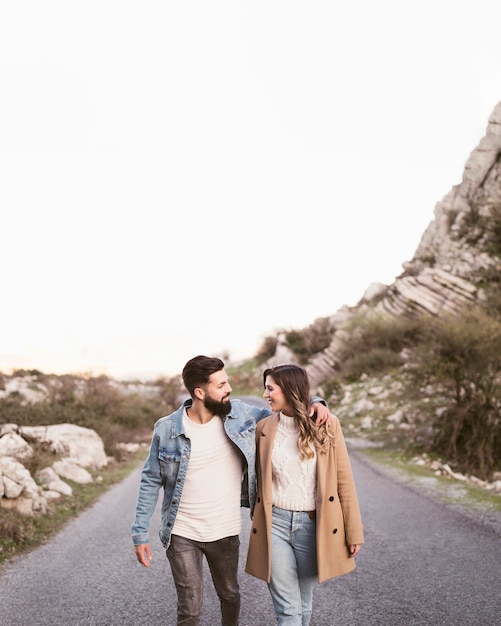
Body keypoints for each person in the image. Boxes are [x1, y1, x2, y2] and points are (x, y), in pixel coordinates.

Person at [131, 355, 330, 626]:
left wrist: (316, 402)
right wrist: (140, 532)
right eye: (221, 385)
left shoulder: (241, 415)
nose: (229, 389)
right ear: (200, 392)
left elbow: (287, 406)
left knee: (230, 594)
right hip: (181, 531)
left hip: (225, 531)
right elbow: (150, 479)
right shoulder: (168, 428)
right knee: (189, 608)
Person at [245, 364, 364, 626]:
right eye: (265, 388)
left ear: (288, 389)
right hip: (273, 524)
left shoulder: (327, 425)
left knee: (303, 602)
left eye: (270, 388)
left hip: (313, 526)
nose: (265, 394)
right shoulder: (263, 428)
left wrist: (353, 531)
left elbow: (344, 481)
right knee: (288, 608)